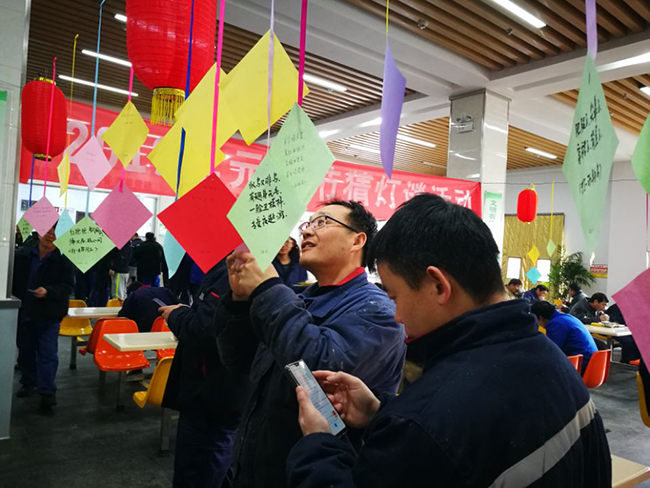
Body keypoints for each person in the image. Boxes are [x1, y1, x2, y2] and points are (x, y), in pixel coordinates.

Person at [288, 194, 611, 487]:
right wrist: (381, 412)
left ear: (438, 286)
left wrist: (318, 443)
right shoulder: (552, 359)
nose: (397, 316)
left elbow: (438, 431)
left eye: (395, 296)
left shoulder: (426, 419)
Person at [216, 200, 406, 488]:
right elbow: (237, 359)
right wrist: (239, 303)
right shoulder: (299, 299)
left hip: (313, 474)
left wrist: (268, 288)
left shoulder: (378, 310)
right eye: (307, 224)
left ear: (357, 240)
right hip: (253, 465)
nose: (306, 232)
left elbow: (318, 368)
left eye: (322, 222)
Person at [158, 259, 251, 488]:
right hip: (220, 395)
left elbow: (207, 329)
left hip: (211, 398)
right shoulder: (227, 268)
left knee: (199, 470)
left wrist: (177, 315)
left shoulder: (230, 270)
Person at [12, 226, 75, 411]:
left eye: (55, 232)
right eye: (48, 231)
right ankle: (28, 382)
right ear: (39, 232)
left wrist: (49, 291)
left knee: (47, 354)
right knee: (25, 350)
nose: (51, 236)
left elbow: (67, 287)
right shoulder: (23, 256)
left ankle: (47, 392)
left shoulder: (63, 261)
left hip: (50, 314)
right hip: (25, 313)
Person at [531, 301, 598, 373]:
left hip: (580, 366)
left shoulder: (555, 324)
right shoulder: (566, 317)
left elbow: (550, 352)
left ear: (540, 317)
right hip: (591, 362)